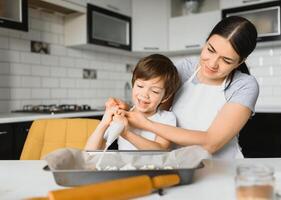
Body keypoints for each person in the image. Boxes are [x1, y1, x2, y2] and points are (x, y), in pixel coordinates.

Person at [107, 16, 259, 159]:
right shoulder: (184, 69)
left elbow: (210, 143)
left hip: (221, 167)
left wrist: (146, 123)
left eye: (226, 60)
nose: (212, 63)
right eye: (210, 50)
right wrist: (127, 110)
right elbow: (157, 111)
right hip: (179, 163)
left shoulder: (244, 86)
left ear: (240, 62)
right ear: (206, 42)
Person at [85, 54, 181, 151]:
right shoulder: (122, 115)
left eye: (155, 91)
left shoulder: (167, 118)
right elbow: (89, 153)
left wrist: (126, 134)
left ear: (165, 97)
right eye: (140, 86)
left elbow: (161, 149)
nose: (144, 94)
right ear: (133, 84)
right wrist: (104, 122)